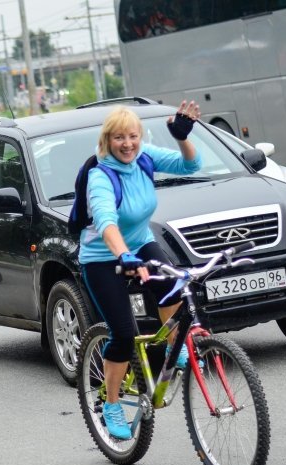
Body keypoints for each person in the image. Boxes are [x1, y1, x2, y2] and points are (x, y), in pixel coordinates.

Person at [79, 101, 202, 440]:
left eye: (132, 136)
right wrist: (124, 256)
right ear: (107, 140)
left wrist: (182, 137)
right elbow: (105, 220)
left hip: (140, 242)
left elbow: (191, 165)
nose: (128, 144)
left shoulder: (143, 156)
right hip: (103, 257)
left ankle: (173, 351)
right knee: (123, 333)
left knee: (175, 286)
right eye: (119, 138)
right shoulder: (100, 175)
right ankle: (112, 403)